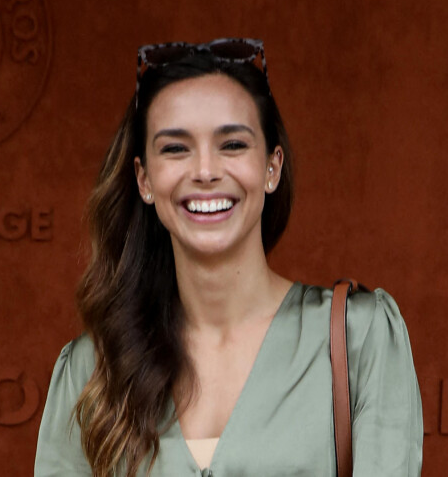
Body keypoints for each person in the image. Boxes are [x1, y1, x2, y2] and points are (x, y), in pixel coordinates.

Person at [34, 38, 423, 477]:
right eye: (175, 148)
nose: (204, 171)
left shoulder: (359, 339)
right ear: (144, 179)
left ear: (271, 167)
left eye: (233, 145)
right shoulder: (93, 369)